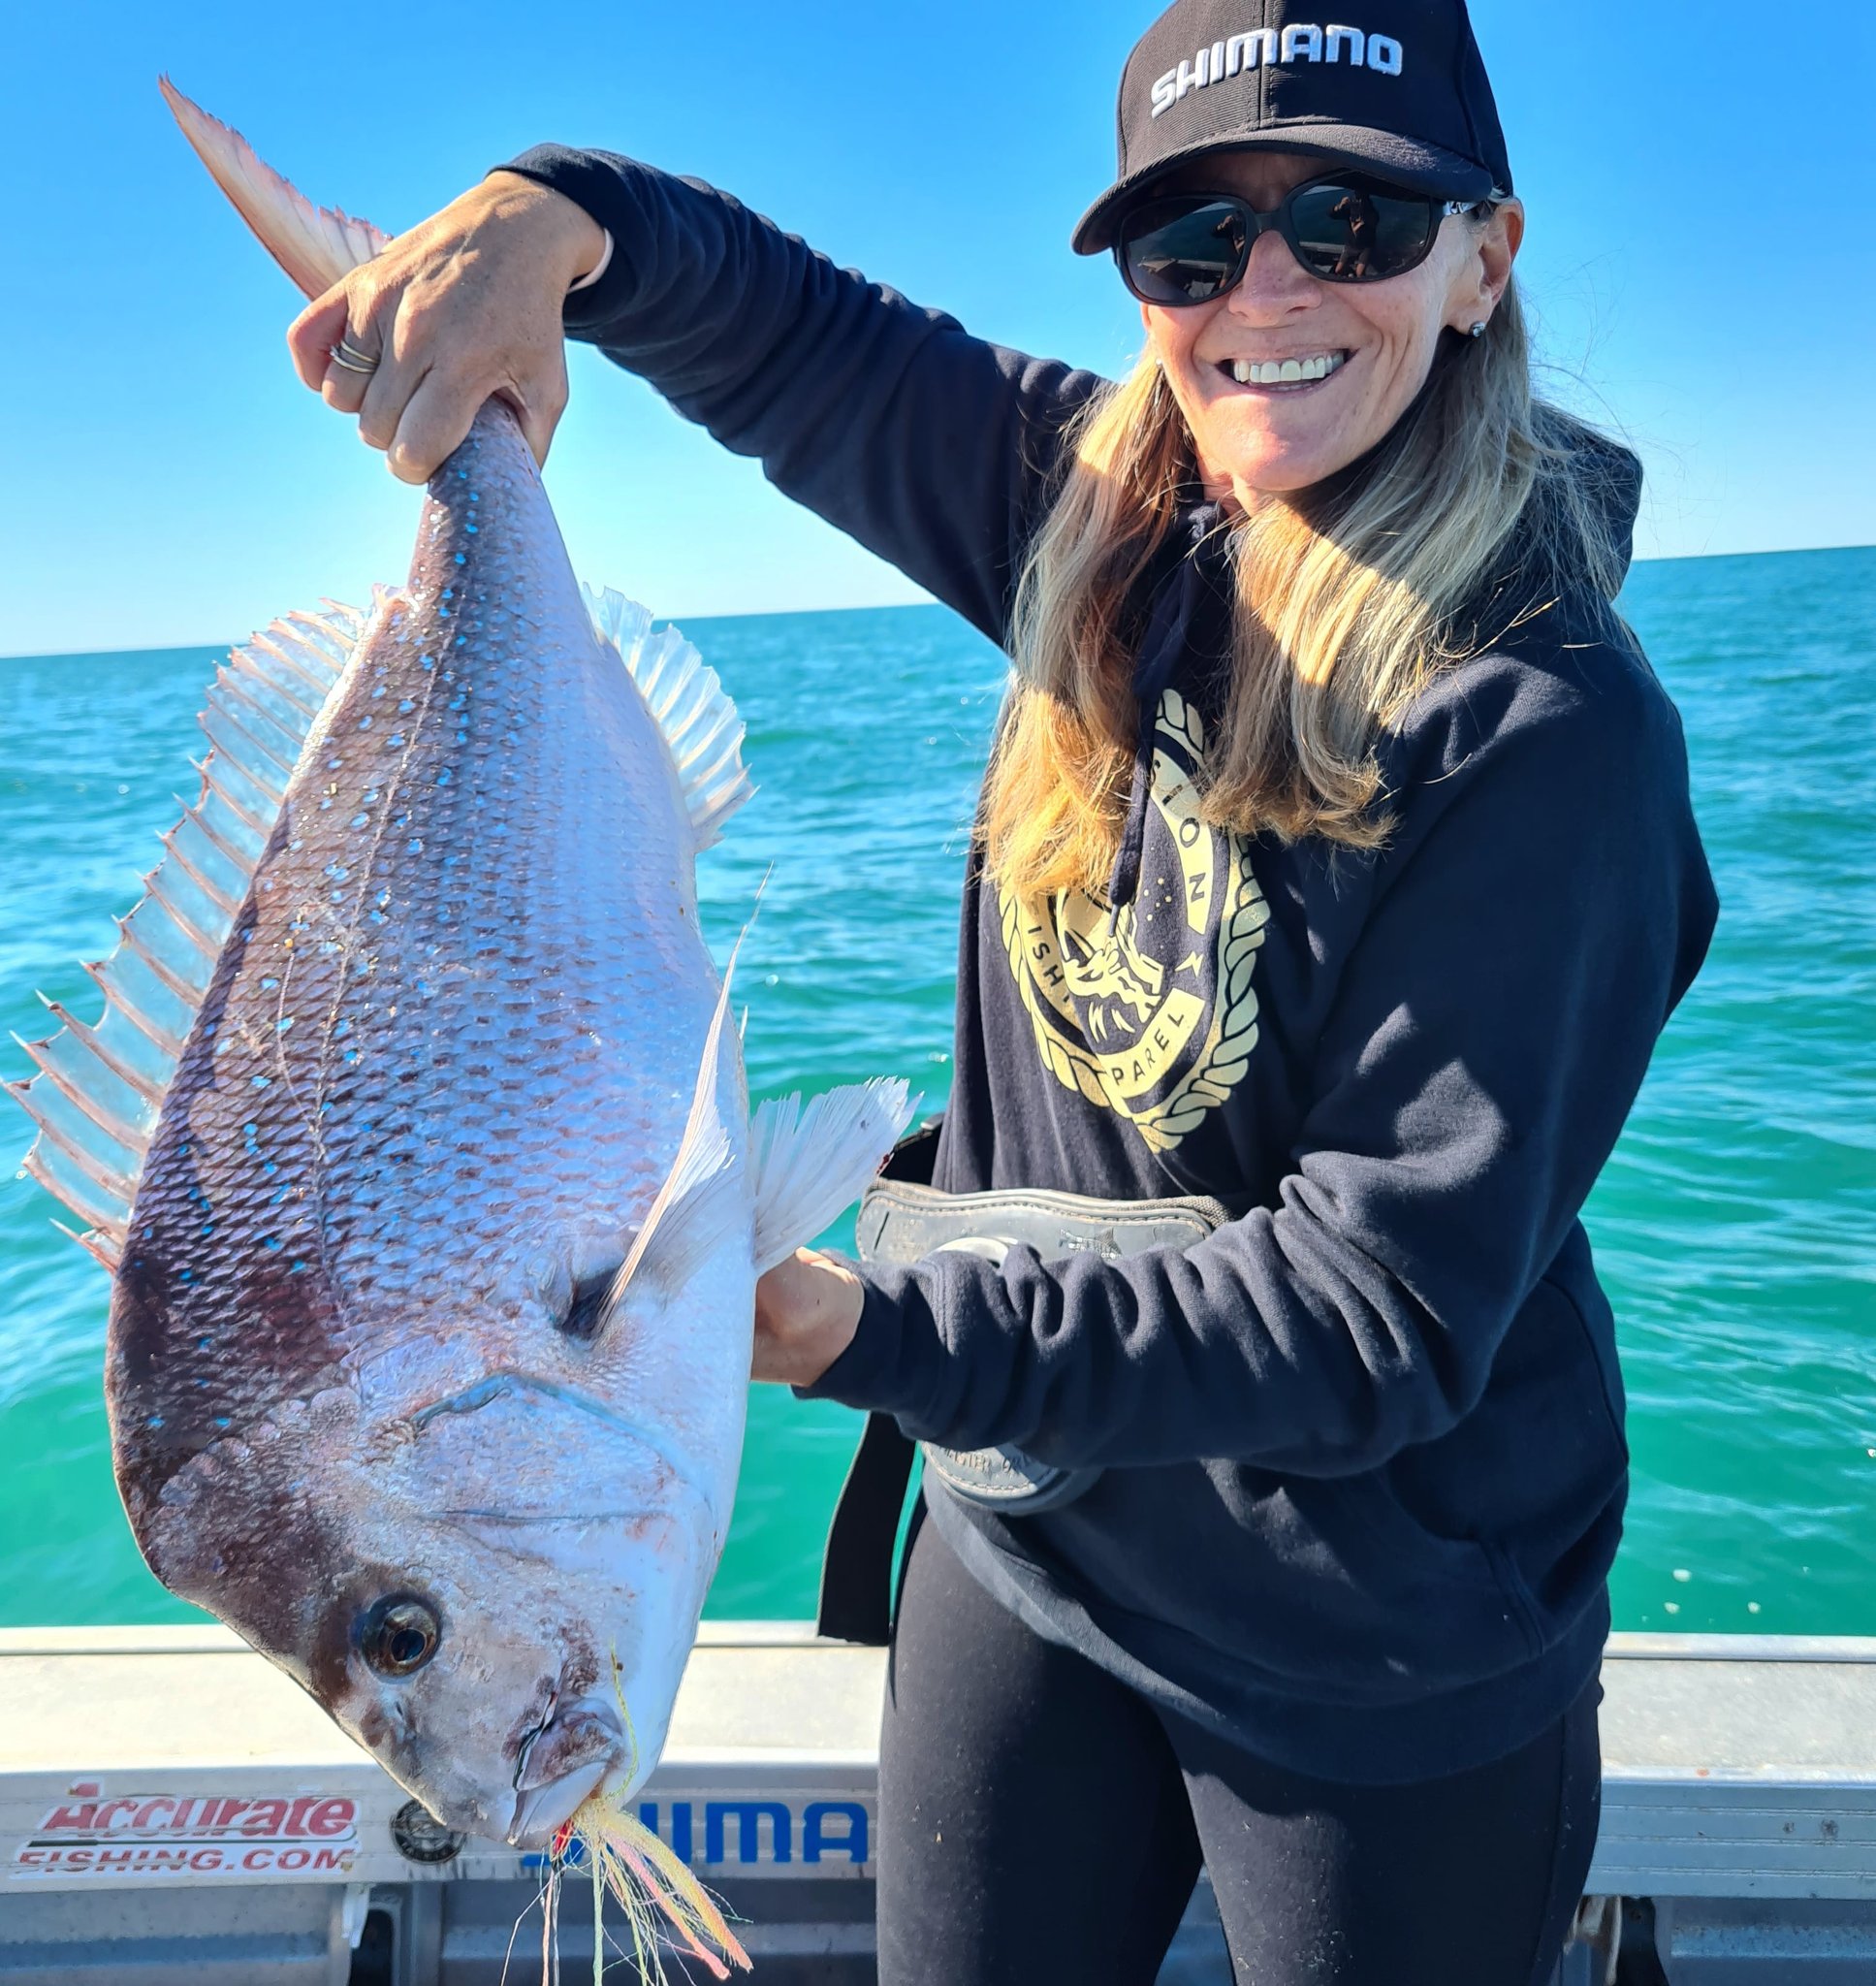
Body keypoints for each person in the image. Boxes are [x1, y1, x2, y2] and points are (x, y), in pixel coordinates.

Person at [288, 1, 1717, 1978]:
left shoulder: (1546, 730)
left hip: (1374, 1638)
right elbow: (799, 338)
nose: (1263, 294)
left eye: (1351, 220)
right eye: (1189, 248)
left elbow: (1367, 1309)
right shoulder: (1096, 514)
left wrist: (850, 1326)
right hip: (1032, 1544)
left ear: (1483, 256)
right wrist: (560, 218)